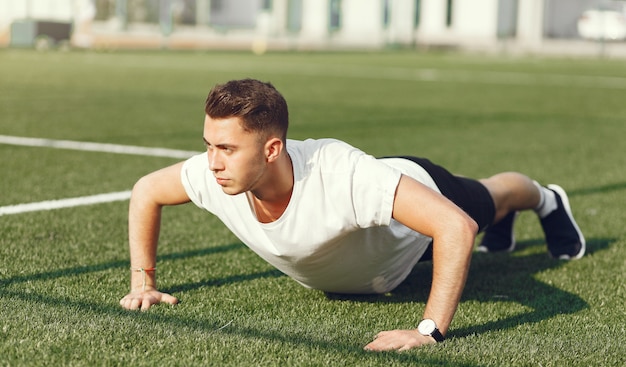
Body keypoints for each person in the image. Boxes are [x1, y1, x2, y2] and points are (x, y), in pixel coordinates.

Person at [119, 79, 585, 352]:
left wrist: (429, 332)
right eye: (208, 146)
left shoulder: (340, 175)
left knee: (491, 198)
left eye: (225, 148)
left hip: (412, 213)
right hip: (373, 254)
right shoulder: (213, 174)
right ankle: (508, 220)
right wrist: (144, 282)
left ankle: (546, 200)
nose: (212, 161)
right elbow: (145, 192)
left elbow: (453, 226)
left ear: (272, 148)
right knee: (483, 215)